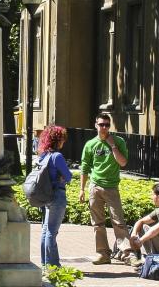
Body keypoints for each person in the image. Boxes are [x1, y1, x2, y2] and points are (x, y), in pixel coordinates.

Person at [79, 113, 130, 265]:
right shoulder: (90, 144)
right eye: (101, 124)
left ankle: (128, 254)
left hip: (112, 187)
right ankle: (103, 254)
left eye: (107, 125)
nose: (104, 128)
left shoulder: (118, 141)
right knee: (97, 223)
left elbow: (123, 163)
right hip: (95, 187)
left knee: (118, 222)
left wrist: (112, 145)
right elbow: (85, 167)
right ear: (96, 125)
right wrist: (82, 189)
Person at [35, 124, 73, 268]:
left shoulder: (43, 156)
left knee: (45, 230)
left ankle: (45, 264)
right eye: (62, 139)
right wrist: (64, 177)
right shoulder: (57, 156)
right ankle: (53, 265)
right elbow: (68, 176)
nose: (63, 142)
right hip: (57, 195)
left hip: (46, 195)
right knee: (52, 231)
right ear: (57, 140)